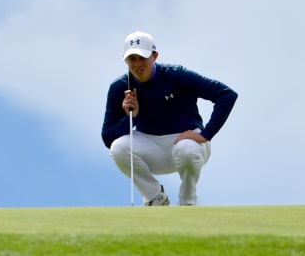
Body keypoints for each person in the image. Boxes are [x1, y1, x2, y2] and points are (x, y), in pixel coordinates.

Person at [101, 31, 238, 206]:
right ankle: (155, 197)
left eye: (142, 58)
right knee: (118, 148)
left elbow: (226, 94)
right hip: (150, 148)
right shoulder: (120, 87)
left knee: (187, 148)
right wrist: (132, 117)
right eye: (132, 59)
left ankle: (188, 201)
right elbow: (107, 138)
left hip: (186, 143)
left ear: (154, 56)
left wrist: (206, 134)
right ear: (125, 60)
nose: (137, 64)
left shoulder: (176, 75)